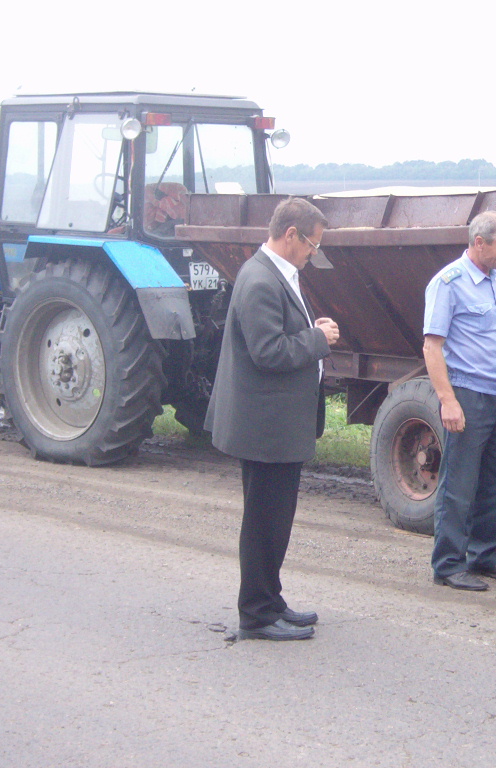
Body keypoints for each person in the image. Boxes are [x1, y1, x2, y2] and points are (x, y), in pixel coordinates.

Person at [204, 197, 340, 640]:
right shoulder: (261, 279)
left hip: (275, 425)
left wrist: (307, 331)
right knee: (264, 521)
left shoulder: (275, 273)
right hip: (265, 428)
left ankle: (271, 598)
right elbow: (268, 352)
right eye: (312, 245)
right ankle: (257, 614)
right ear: (290, 235)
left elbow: (278, 335)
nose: (313, 253)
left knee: (274, 519)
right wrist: (317, 339)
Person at [424, 211, 496, 591]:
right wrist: (448, 401)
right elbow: (432, 346)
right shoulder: (448, 283)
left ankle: (484, 554)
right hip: (467, 395)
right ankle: (449, 564)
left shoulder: (494, 278)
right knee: (460, 484)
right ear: (479, 243)